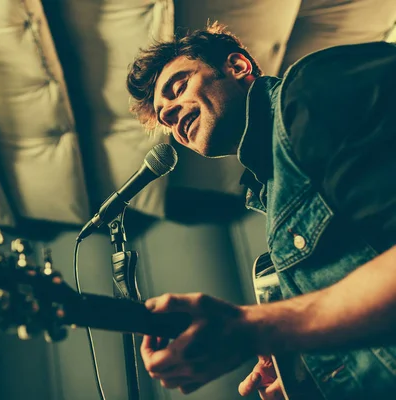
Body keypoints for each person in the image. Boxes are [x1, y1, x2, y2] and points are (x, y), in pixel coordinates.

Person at [126, 21, 396, 399]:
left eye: (178, 86)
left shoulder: (309, 90)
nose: (170, 115)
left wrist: (257, 327)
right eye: (164, 116)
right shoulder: (270, 191)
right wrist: (308, 369)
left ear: (237, 67)